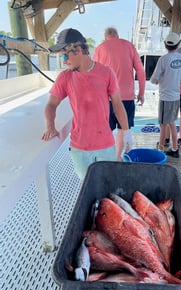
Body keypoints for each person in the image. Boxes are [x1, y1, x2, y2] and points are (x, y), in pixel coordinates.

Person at [41, 28, 133, 180]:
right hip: (79, 148)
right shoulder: (65, 77)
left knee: (108, 185)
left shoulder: (106, 72)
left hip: (106, 144)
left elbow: (117, 104)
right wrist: (50, 125)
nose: (64, 60)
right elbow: (51, 104)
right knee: (87, 187)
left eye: (65, 55)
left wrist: (127, 131)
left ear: (78, 49)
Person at [93, 27, 146, 160]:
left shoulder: (100, 48)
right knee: (123, 129)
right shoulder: (129, 46)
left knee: (107, 130)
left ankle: (108, 157)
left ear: (106, 37)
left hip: (107, 98)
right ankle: (117, 157)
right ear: (117, 35)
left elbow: (93, 74)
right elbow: (140, 71)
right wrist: (141, 92)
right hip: (126, 97)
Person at [150, 32, 181, 158]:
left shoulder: (163, 59)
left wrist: (157, 80)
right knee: (172, 122)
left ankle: (162, 149)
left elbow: (154, 78)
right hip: (176, 96)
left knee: (164, 124)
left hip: (165, 97)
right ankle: (174, 147)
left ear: (165, 45)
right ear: (178, 44)